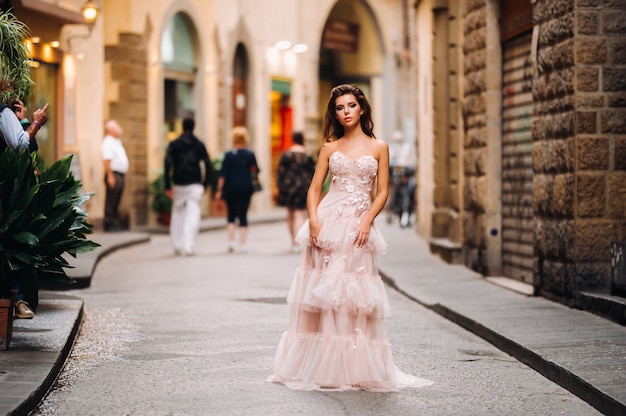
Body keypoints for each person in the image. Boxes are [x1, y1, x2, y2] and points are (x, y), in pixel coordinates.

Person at [268, 84, 433, 391]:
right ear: (335, 113)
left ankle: (352, 367)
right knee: (324, 295)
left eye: (351, 106)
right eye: (340, 108)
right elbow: (315, 188)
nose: (345, 112)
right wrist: (314, 221)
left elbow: (383, 191)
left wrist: (367, 220)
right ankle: (324, 368)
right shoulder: (330, 147)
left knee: (353, 295)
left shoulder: (379, 146)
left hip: (359, 226)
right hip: (328, 224)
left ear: (362, 109)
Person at [0, 99, 48, 320]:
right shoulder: (3, 111)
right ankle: (17, 298)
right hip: (7, 194)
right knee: (10, 244)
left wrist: (20, 122)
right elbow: (21, 147)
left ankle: (16, 298)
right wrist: (35, 124)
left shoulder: (7, 113)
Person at [163, 117, 215, 256]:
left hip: (179, 183)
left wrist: (167, 185)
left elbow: (167, 164)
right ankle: (189, 246)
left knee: (178, 213)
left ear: (182, 127)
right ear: (194, 127)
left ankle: (177, 244)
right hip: (195, 183)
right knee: (193, 214)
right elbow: (208, 165)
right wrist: (206, 183)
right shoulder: (199, 144)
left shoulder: (174, 144)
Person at [214, 126, 260, 253]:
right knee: (243, 215)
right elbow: (255, 170)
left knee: (231, 214)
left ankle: (231, 242)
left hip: (230, 188)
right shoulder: (250, 154)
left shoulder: (229, 155)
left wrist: (219, 190)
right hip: (246, 188)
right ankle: (243, 244)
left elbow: (223, 175)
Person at [276, 131, 316, 253]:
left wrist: (280, 187)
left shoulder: (286, 155)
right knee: (300, 214)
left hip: (288, 188)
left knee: (291, 215)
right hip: (303, 188)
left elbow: (280, 172)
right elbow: (314, 174)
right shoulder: (308, 156)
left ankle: (293, 242)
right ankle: (297, 242)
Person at [101, 120, 129, 232]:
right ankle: (109, 222)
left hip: (119, 174)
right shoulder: (108, 142)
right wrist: (110, 176)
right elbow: (106, 160)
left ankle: (115, 221)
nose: (119, 129)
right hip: (113, 173)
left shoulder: (116, 142)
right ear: (111, 130)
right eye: (116, 127)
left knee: (116, 199)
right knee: (111, 199)